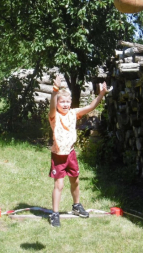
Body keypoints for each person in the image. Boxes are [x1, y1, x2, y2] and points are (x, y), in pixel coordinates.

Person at [48, 75, 107, 227]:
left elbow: (91, 107)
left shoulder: (74, 113)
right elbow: (52, 107)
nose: (66, 104)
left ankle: (76, 206)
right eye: (62, 102)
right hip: (58, 155)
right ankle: (54, 214)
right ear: (58, 103)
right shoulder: (54, 116)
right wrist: (55, 91)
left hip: (71, 154)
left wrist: (101, 94)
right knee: (59, 186)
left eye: (68, 101)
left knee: (75, 182)